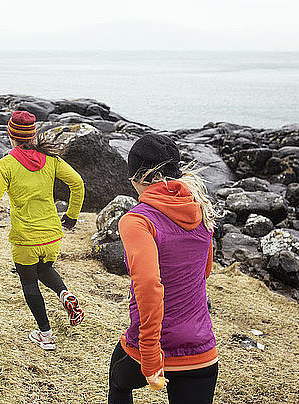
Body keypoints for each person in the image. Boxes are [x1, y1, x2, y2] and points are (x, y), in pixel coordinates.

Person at [108, 134, 219, 404]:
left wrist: (149, 355)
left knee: (118, 382)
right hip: (202, 349)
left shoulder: (137, 220)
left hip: (157, 346)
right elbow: (204, 272)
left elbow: (148, 286)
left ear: (140, 176)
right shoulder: (200, 209)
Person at [0, 110, 85, 351]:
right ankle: (64, 295)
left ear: (10, 135)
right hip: (52, 235)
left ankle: (45, 335)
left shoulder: (6, 164)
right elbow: (77, 183)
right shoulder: (51, 159)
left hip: (26, 237)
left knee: (28, 281)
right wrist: (71, 216)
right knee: (44, 268)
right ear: (33, 134)